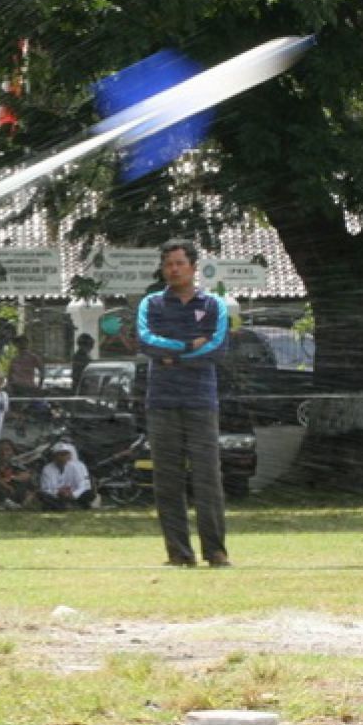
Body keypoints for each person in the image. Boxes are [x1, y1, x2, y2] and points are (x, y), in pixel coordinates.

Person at [137, 238, 230, 568]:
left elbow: (216, 349)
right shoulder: (152, 304)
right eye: (167, 264)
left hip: (201, 401)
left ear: (193, 266)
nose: (173, 269)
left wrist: (172, 355)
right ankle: (178, 553)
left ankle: (216, 551)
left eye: (179, 263)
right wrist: (189, 345)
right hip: (161, 401)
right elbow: (147, 342)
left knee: (208, 477)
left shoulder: (213, 304)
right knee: (167, 480)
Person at [0, 438, 35, 511]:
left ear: (12, 452)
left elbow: (27, 477)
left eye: (7, 450)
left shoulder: (17, 467)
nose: (4, 453)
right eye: (0, 450)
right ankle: (4, 504)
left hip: (14, 496)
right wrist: (4, 484)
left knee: (27, 485)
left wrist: (12, 478)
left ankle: (20, 506)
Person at [37, 442, 94, 511]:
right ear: (54, 456)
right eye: (61, 454)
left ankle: (72, 505)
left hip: (73, 494)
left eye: (66, 454)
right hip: (57, 496)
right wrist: (58, 492)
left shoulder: (76, 466)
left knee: (89, 492)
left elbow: (83, 485)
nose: (63, 457)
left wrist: (73, 494)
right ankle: (65, 507)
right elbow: (45, 489)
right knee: (42, 495)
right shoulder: (47, 469)